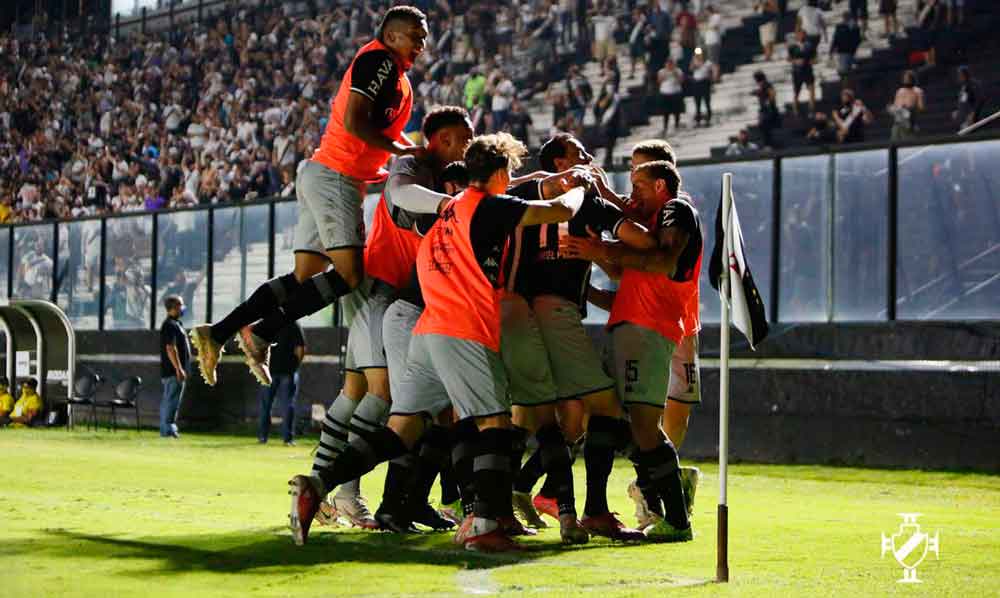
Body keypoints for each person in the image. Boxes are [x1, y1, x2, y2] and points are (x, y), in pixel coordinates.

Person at [287, 133, 589, 552]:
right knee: (494, 423)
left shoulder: (447, 214)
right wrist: (578, 189)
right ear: (501, 173)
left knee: (401, 430)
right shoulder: (487, 207)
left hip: (426, 332)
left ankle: (317, 483)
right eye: (510, 172)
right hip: (461, 329)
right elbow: (556, 210)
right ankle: (484, 523)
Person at [190, 6, 429, 387]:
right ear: (392, 35)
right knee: (350, 275)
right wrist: (402, 152)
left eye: (424, 36)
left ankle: (219, 332)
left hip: (324, 172)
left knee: (305, 276)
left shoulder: (395, 75)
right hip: (337, 176)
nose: (422, 42)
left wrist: (406, 148)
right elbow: (354, 121)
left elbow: (373, 128)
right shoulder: (380, 60)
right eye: (416, 35)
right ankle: (262, 333)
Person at [311, 106, 473, 531]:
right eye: (459, 138)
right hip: (383, 293)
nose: (466, 146)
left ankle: (343, 494)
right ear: (437, 140)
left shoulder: (436, 182)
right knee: (390, 402)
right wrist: (448, 202)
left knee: (362, 393)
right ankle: (339, 493)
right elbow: (401, 195)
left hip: (391, 296)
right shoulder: (413, 168)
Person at [561, 160, 697, 542]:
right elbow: (624, 273)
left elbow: (664, 259)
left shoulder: (676, 209)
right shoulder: (650, 224)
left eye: (638, 185)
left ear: (659, 186)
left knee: (642, 427)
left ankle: (677, 520)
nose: (632, 193)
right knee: (606, 417)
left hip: (649, 330)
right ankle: (597, 511)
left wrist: (600, 247)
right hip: (629, 327)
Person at [258, 322, 305, 446]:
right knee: (288, 405)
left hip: (268, 371)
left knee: (266, 405)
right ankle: (287, 439)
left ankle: (263, 437)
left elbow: (257, 346)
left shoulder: (267, 323)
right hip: (288, 371)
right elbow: (300, 349)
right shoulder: (293, 325)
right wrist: (296, 366)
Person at [160, 295, 190, 439]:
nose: (183, 308)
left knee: (170, 401)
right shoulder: (170, 325)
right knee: (171, 402)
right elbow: (170, 348)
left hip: (173, 372)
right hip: (173, 372)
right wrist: (178, 368)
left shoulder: (175, 324)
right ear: (174, 307)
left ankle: (167, 430)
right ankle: (168, 431)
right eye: (181, 305)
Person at [888, 71, 925, 141]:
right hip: (898, 121)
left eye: (908, 78)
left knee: (909, 144)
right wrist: (892, 108)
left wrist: (910, 109)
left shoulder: (918, 91)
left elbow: (921, 107)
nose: (906, 80)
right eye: (905, 78)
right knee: (894, 143)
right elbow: (895, 105)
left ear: (912, 79)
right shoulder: (899, 91)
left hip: (909, 122)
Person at [788, 29, 817, 117]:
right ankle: (795, 110)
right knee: (797, 91)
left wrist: (811, 61)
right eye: (799, 34)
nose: (801, 36)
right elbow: (789, 58)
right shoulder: (792, 46)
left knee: (812, 89)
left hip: (807, 70)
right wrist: (796, 61)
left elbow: (814, 57)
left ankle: (811, 109)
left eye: (802, 34)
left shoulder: (810, 45)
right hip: (797, 72)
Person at [830, 12, 863, 81]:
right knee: (845, 71)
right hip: (845, 52)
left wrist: (832, 50)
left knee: (845, 71)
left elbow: (858, 39)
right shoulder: (841, 26)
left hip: (847, 51)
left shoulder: (853, 27)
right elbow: (835, 39)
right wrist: (832, 50)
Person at [752, 71, 781, 149]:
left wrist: (768, 101)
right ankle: (768, 144)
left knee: (765, 126)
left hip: (769, 110)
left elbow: (772, 93)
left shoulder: (767, 85)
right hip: (764, 110)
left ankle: (769, 144)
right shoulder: (762, 86)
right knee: (763, 127)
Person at [657, 59, 685, 135]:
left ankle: (677, 124)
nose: (669, 66)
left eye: (671, 64)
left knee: (676, 111)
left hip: (675, 93)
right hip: (665, 93)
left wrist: (675, 74)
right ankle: (665, 126)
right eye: (668, 64)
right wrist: (665, 75)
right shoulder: (661, 72)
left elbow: (681, 81)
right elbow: (659, 81)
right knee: (665, 112)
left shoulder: (678, 71)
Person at [953, 66, 984, 131]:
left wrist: (972, 114)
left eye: (960, 74)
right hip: (963, 118)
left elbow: (979, 99)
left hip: (972, 118)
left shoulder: (973, 84)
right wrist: (957, 111)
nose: (958, 77)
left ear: (965, 74)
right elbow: (962, 101)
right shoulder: (963, 86)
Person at [690, 49, 714, 127]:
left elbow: (711, 73)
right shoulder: (694, 61)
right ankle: (698, 119)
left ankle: (709, 117)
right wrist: (695, 62)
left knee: (707, 101)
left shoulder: (708, 63)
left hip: (705, 82)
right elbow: (691, 69)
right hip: (697, 83)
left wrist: (711, 83)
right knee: (697, 102)